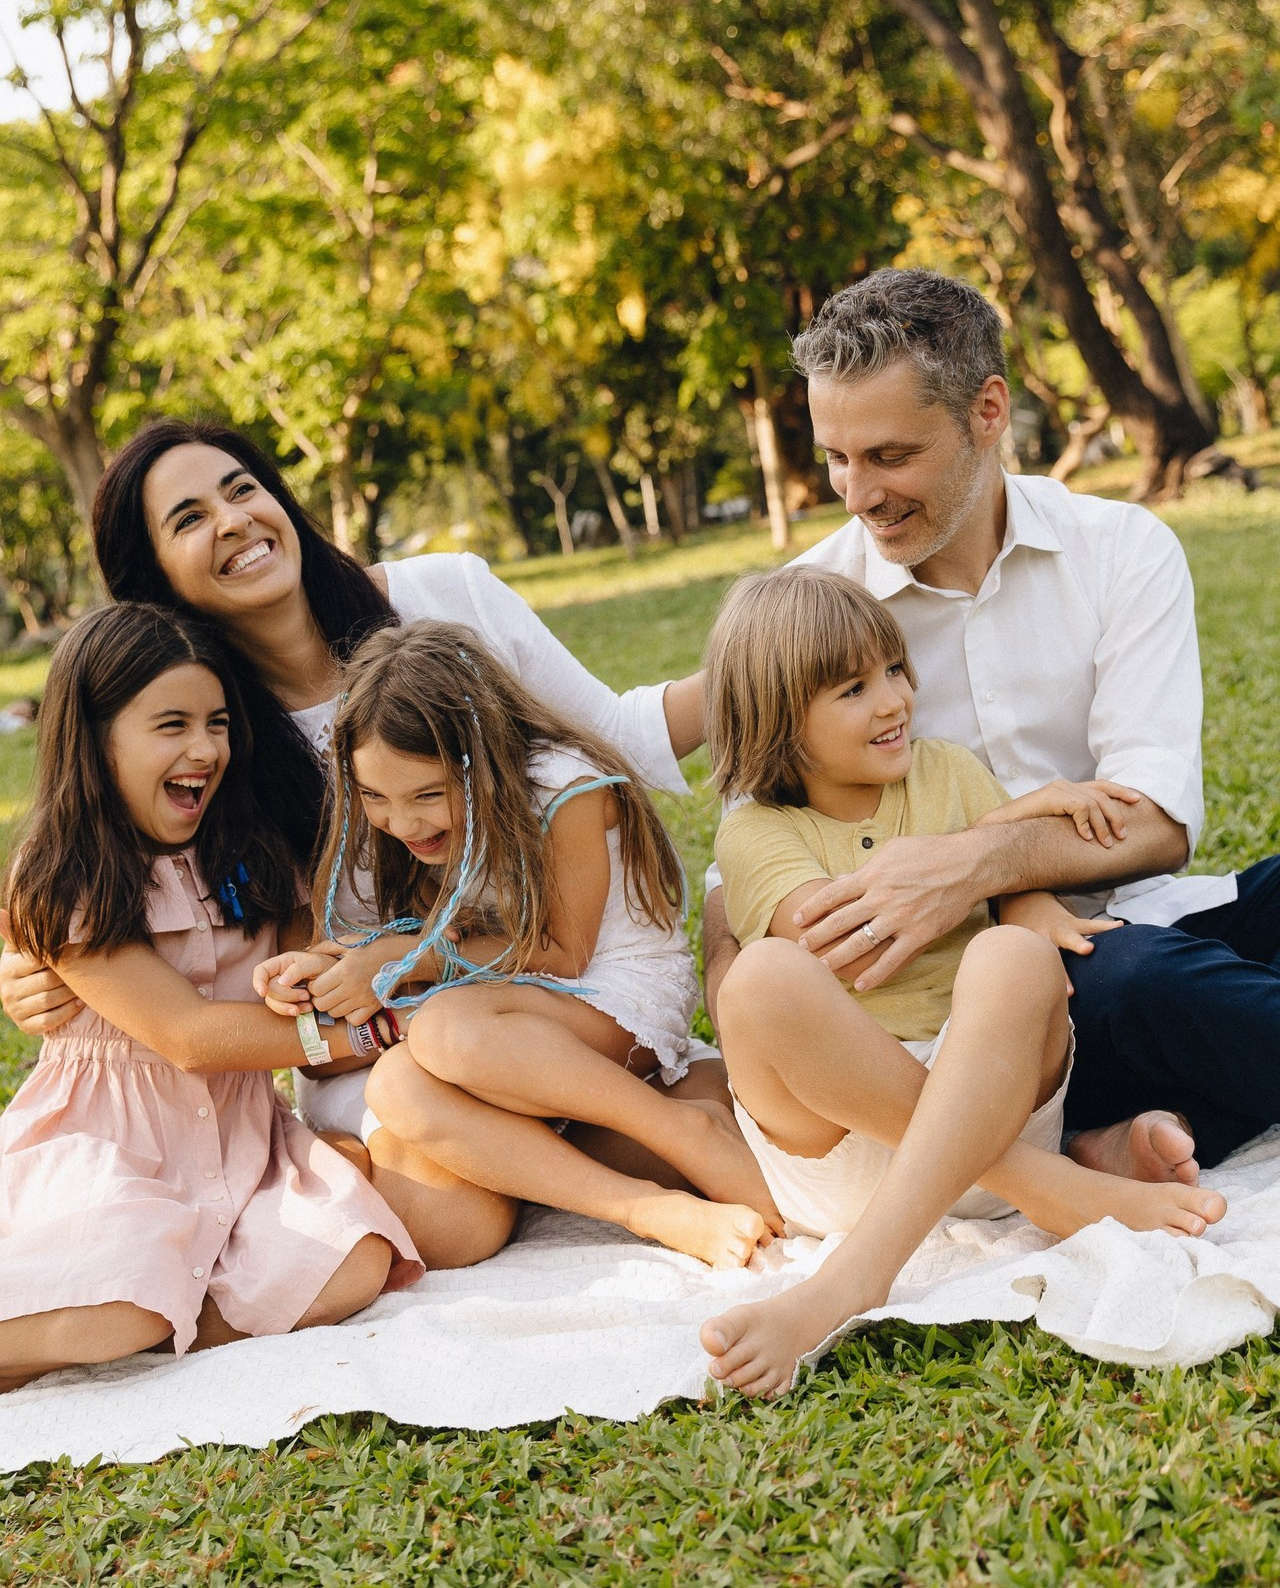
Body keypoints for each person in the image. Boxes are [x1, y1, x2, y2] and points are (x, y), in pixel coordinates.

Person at [0, 419, 714, 1266]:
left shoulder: (447, 596)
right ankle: (581, 1156)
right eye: (188, 519)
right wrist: (35, 951)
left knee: (690, 1107)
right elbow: (100, 846)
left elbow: (611, 736)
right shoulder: (209, 732)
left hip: (555, 977)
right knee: (458, 1216)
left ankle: (596, 1141)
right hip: (387, 1037)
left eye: (240, 489)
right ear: (153, 580)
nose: (232, 521)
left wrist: (781, 651)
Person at [703, 268, 1278, 1185]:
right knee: (1141, 983)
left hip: (1136, 915)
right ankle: (1104, 1126)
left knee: (1219, 930)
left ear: (988, 410)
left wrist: (970, 863)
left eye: (890, 455)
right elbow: (743, 881)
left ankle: (1142, 1124)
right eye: (837, 458)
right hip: (1004, 996)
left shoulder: (1122, 549)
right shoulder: (815, 614)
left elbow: (1158, 820)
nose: (857, 494)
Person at [697, 568, 1227, 1397]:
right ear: (778, 722)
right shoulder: (757, 831)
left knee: (1016, 956)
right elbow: (841, 936)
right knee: (761, 977)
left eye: (896, 670)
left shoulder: (946, 770)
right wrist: (987, 837)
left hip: (987, 1093)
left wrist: (1012, 842)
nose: (893, 699)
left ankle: (859, 1275)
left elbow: (1025, 906)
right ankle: (1044, 1184)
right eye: (853, 687)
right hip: (842, 1147)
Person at [255, 620, 777, 1268]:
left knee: (444, 1032)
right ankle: (642, 1204)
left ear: (484, 758)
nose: (403, 822)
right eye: (377, 799)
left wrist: (405, 961)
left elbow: (562, 952)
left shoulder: (562, 785)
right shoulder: (411, 821)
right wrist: (338, 965)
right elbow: (453, 935)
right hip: (519, 1018)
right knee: (396, 1088)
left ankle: (682, 1128)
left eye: (426, 795)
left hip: (611, 994)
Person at [0, 604, 420, 1392]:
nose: (204, 748)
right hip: (111, 1148)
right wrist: (364, 1031)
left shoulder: (254, 849)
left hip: (242, 1144)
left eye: (217, 722)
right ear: (95, 737)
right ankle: (114, 1316)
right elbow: (190, 1035)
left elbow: (302, 964)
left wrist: (313, 973)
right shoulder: (67, 874)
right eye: (171, 725)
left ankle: (150, 1318)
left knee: (354, 1257)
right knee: (128, 1276)